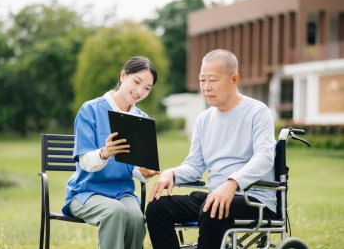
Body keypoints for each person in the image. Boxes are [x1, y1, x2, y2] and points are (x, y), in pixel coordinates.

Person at [145, 49, 277, 249]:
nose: (206, 87)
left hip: (254, 200)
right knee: (157, 209)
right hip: (214, 197)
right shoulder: (204, 120)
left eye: (212, 80)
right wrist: (171, 173)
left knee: (212, 207)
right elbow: (194, 166)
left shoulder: (258, 112)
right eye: (202, 80)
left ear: (234, 79)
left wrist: (232, 183)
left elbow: (265, 156)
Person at [62, 56, 159, 249]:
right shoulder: (90, 110)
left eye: (147, 88)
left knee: (136, 218)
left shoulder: (142, 119)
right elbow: (85, 162)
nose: (139, 91)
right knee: (114, 212)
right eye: (137, 82)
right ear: (123, 76)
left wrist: (143, 172)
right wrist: (105, 153)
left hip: (122, 192)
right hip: (85, 193)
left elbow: (132, 167)